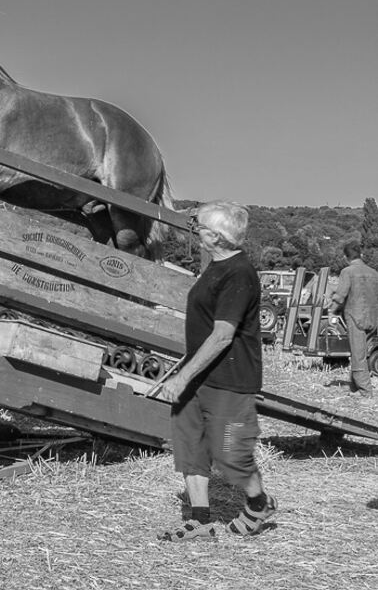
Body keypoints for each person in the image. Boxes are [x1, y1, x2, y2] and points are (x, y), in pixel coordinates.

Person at [156, 201, 275, 541]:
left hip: (230, 379)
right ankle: (200, 520)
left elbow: (223, 335)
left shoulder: (239, 273)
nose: (197, 232)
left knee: (230, 451)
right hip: (200, 376)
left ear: (218, 236)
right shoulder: (215, 266)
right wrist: (186, 372)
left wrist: (182, 376)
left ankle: (258, 502)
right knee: (190, 447)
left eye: (202, 228)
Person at [326, 240, 377, 398]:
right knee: (363, 353)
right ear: (361, 254)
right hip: (373, 319)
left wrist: (331, 312)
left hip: (356, 318)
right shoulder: (374, 273)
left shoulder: (347, 272)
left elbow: (340, 296)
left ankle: (366, 392)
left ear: (345, 257)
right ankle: (355, 387)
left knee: (357, 355)